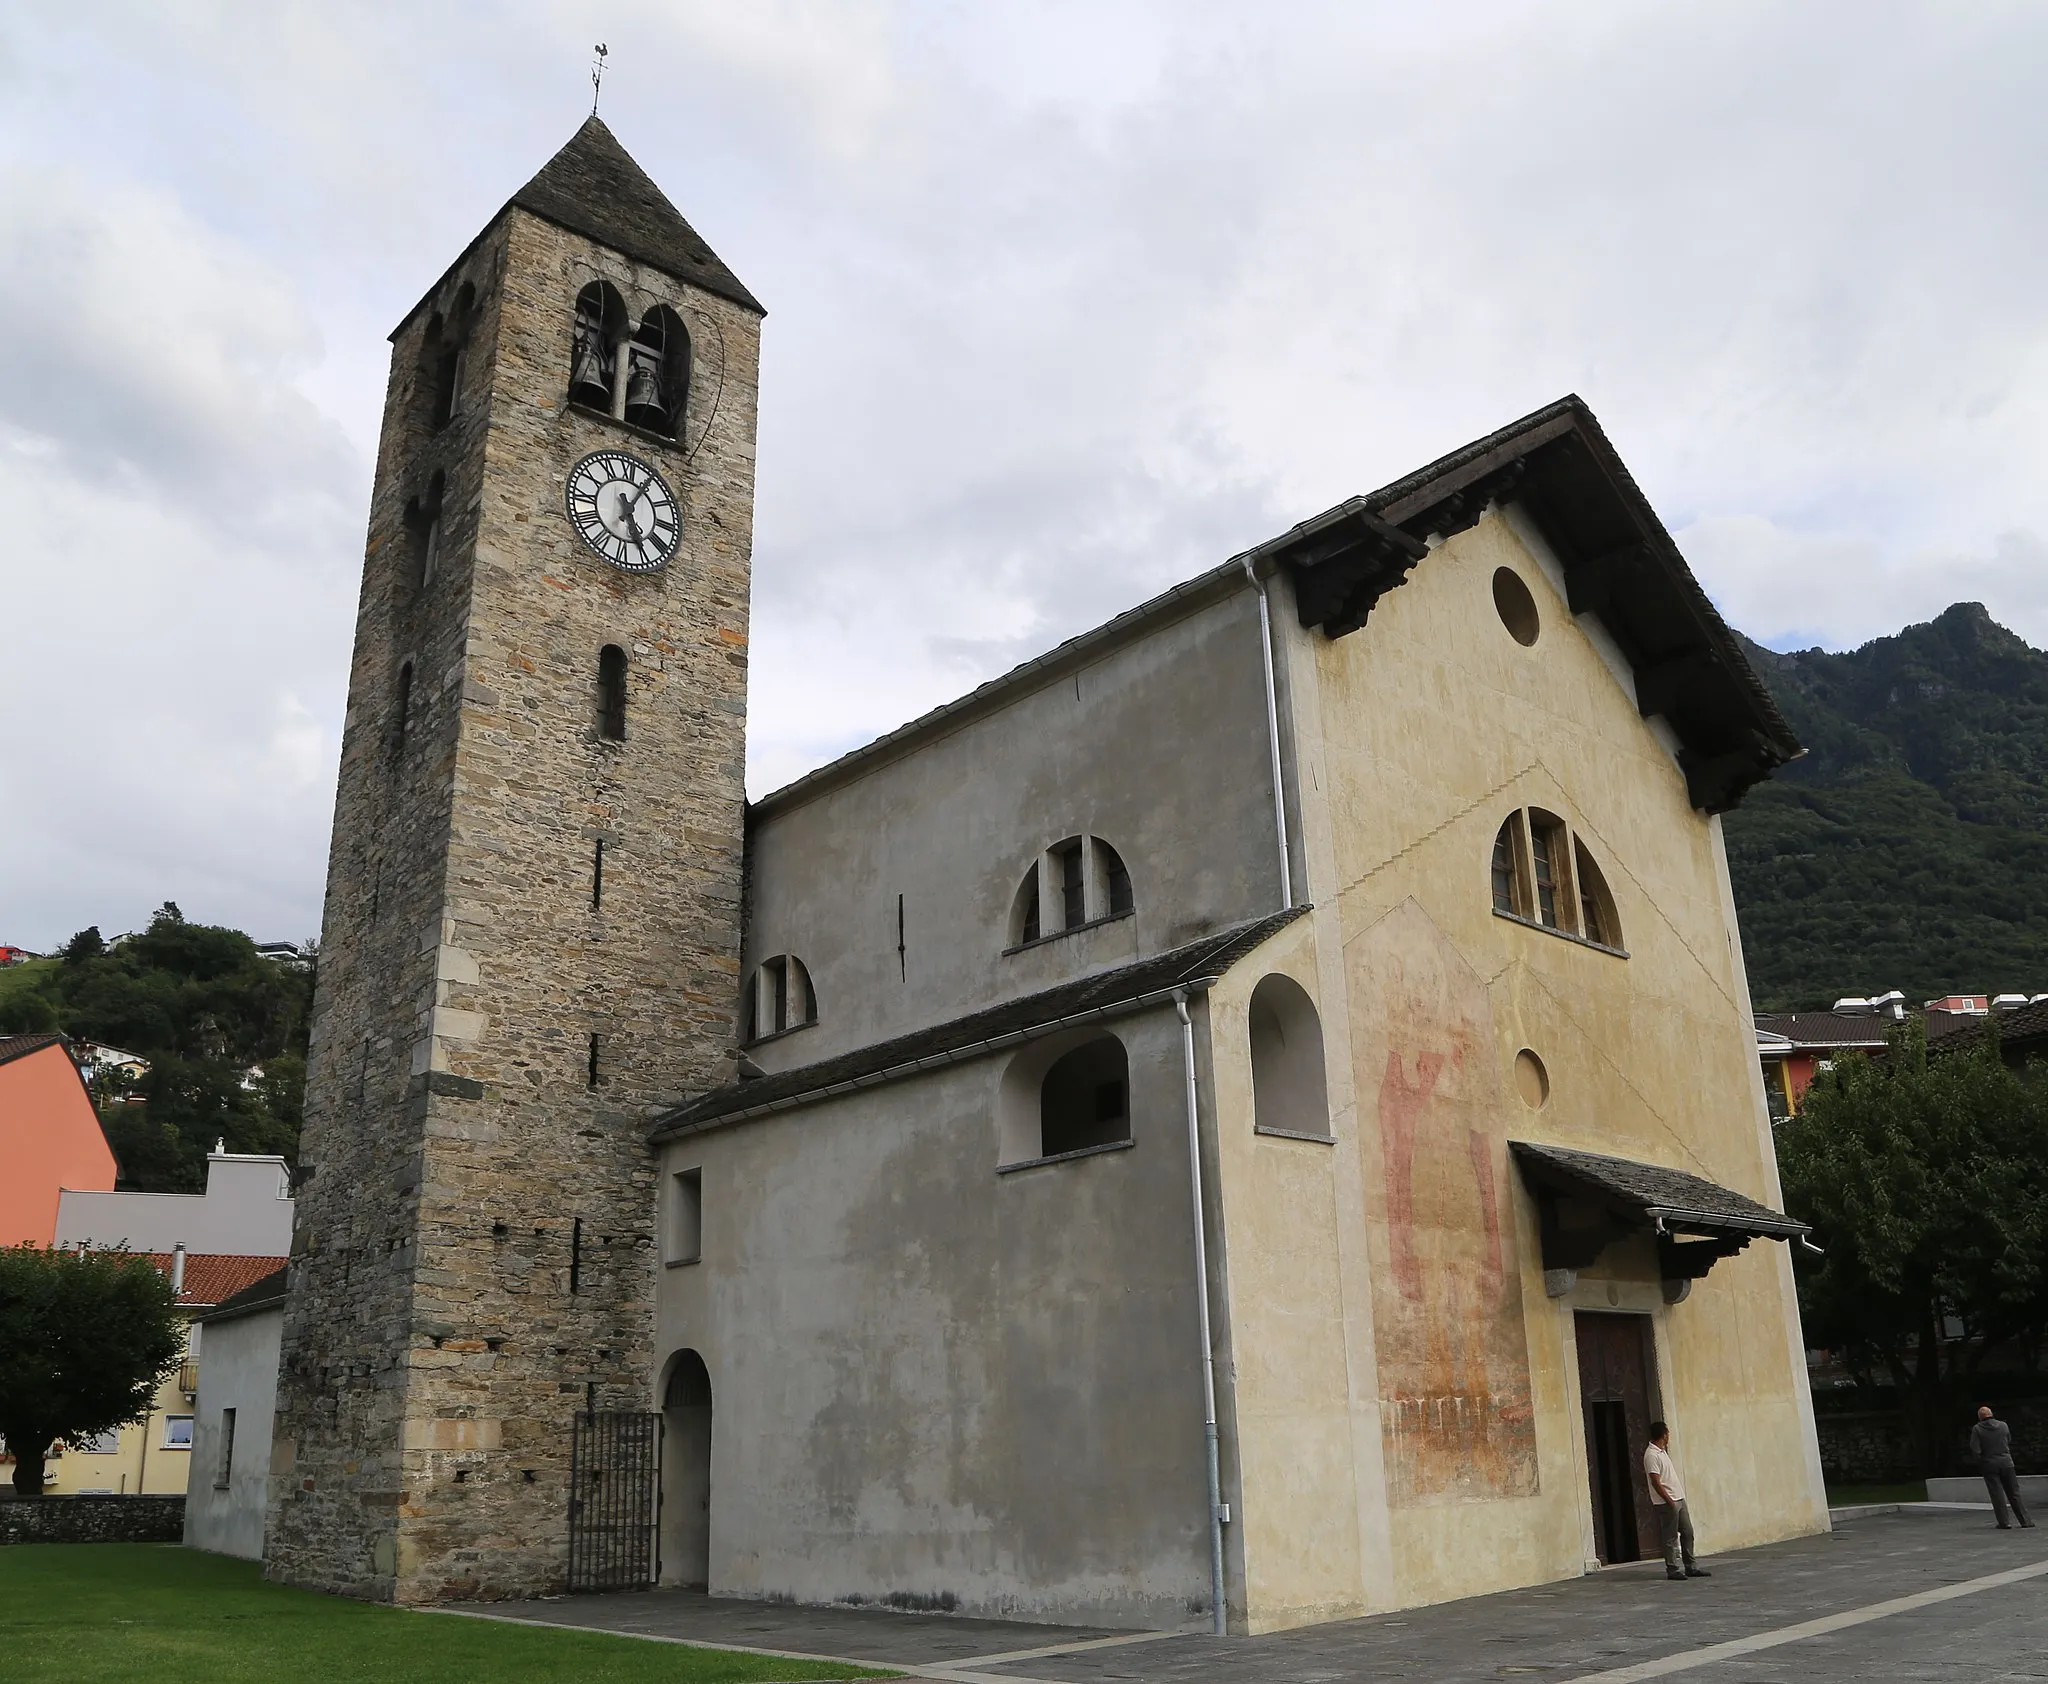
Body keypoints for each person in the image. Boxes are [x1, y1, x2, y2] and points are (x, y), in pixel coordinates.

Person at [1644, 1421, 1710, 1581]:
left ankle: (1691, 1566)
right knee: (1670, 1536)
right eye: (1667, 1434)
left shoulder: (1662, 1452)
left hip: (1678, 1498)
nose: (1669, 1437)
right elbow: (1655, 1481)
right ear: (1664, 1434)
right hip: (1667, 1502)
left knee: (1688, 1532)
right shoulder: (1651, 1455)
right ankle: (1672, 1569)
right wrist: (1669, 1500)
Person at [1970, 1405, 2034, 1530]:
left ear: (1979, 1417)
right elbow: (2008, 1440)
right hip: (2007, 1462)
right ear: (1991, 1414)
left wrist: (1980, 1461)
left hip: (1989, 1464)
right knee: (2014, 1492)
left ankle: (2004, 1522)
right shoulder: (2003, 1426)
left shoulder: (1977, 1429)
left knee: (1997, 1494)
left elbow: (1975, 1450)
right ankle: (2025, 1521)